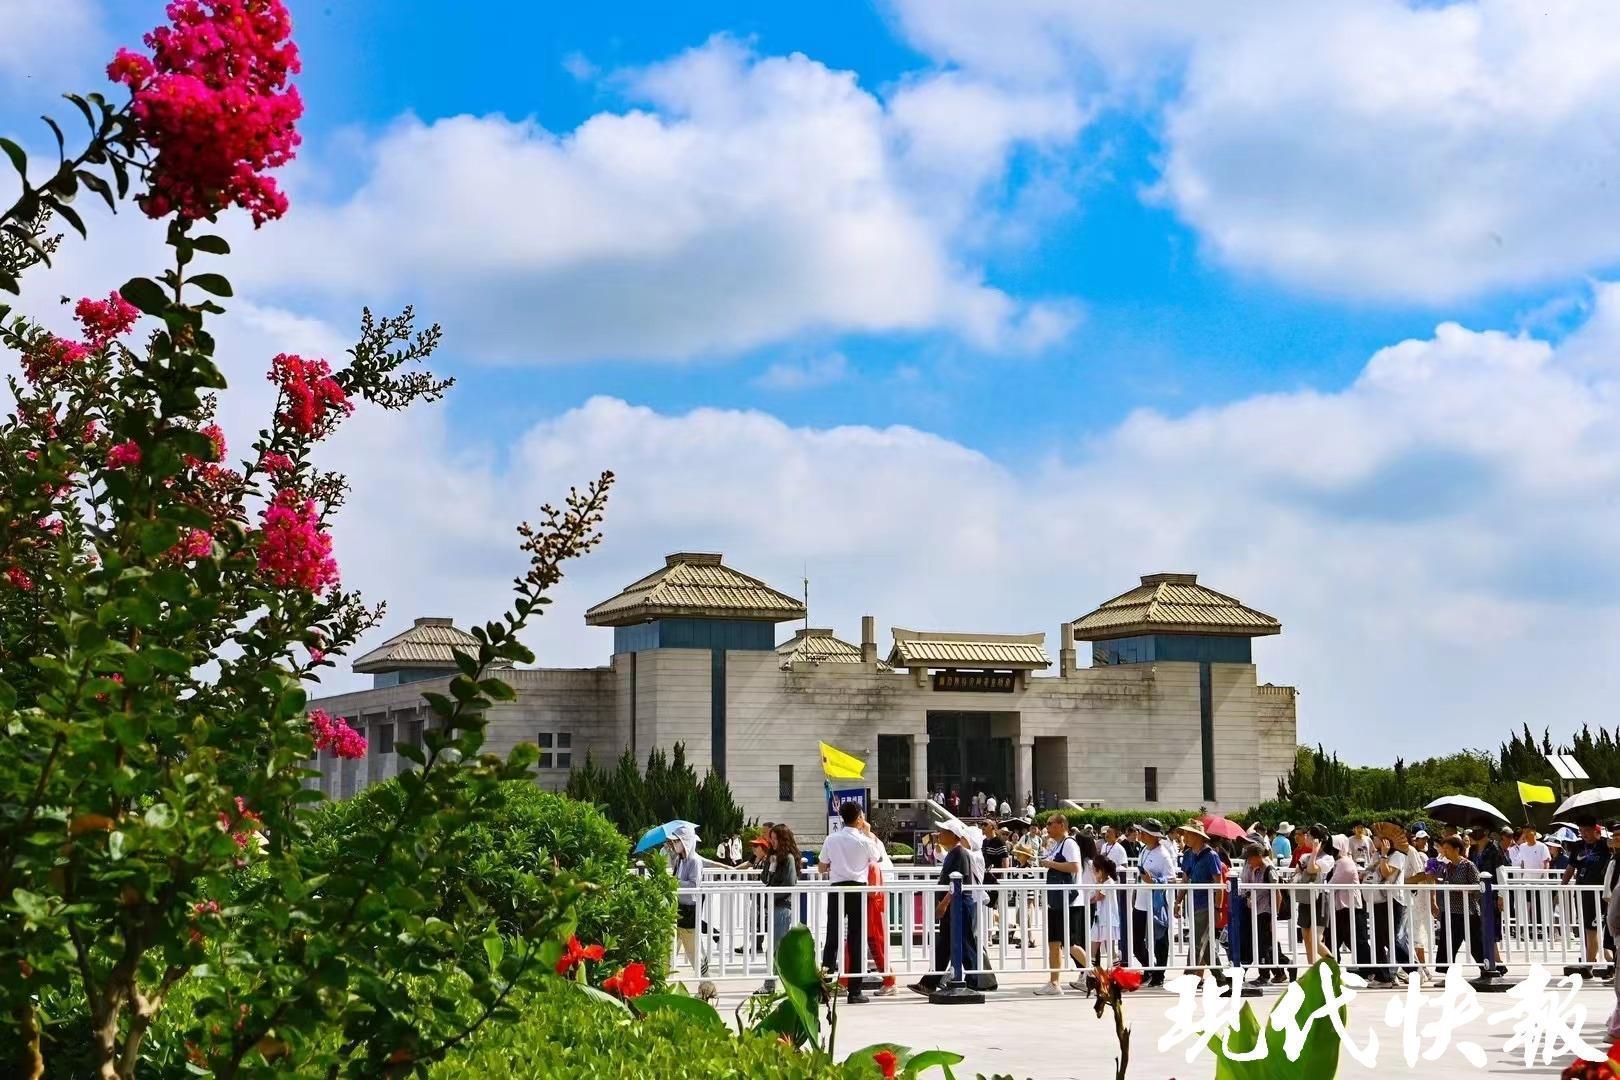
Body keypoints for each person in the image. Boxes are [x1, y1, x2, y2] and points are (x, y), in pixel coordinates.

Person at [909, 818, 984, 994]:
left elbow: (957, 884)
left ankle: (973, 982)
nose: (940, 835)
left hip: (959, 906)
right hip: (952, 906)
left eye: (943, 832)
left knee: (965, 944)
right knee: (944, 946)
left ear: (953, 835)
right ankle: (929, 983)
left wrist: (943, 904)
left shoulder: (961, 854)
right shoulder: (952, 853)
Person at [818, 801, 880, 1003]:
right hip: (858, 890)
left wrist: (836, 865)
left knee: (832, 938)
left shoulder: (831, 839)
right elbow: (877, 857)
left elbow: (821, 867)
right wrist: (868, 832)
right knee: (856, 939)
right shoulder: (864, 840)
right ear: (859, 817)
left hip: (837, 889)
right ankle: (855, 990)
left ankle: (824, 988)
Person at [1035, 814, 1089, 996]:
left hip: (1069, 902)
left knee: (1070, 944)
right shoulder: (1057, 844)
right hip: (1057, 901)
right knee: (1054, 943)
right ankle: (1054, 983)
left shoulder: (1070, 843)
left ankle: (1096, 974)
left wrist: (1050, 863)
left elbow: (1074, 867)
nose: (1047, 827)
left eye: (1050, 824)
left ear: (1061, 825)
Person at [1174, 820, 1224, 979]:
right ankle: (1222, 979)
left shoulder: (1211, 856)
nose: (1185, 837)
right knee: (1205, 944)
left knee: (1196, 942)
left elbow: (1219, 883)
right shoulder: (1188, 855)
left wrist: (1217, 907)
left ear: (1198, 836)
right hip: (1193, 903)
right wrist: (1178, 901)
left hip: (1206, 904)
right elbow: (1185, 879)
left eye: (1188, 834)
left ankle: (1188, 977)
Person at [1565, 818, 1611, 975]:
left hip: (1600, 894)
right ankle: (1592, 959)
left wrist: (1608, 842)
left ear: (1595, 830)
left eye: (1587, 830)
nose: (1584, 834)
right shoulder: (1578, 846)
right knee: (1586, 929)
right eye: (1581, 831)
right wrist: (1562, 886)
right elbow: (1570, 867)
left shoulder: (1605, 844)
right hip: (1582, 892)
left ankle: (1592, 964)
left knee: (1595, 929)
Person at [1434, 834, 1484, 976]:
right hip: (1450, 910)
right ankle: (1448, 974)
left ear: (1457, 849)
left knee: (1476, 943)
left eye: (1447, 848)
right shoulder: (1447, 866)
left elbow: (1478, 886)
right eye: (1443, 848)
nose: (1444, 851)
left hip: (1468, 911)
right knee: (1447, 944)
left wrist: (1460, 889)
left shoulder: (1468, 865)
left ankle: (1488, 969)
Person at [758, 824, 799, 993]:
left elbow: (789, 883)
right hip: (774, 906)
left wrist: (772, 894)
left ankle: (771, 984)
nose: (773, 842)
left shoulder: (788, 858)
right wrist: (769, 865)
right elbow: (764, 879)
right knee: (776, 947)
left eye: (775, 839)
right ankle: (774, 984)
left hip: (782, 906)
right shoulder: (774, 858)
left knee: (775, 948)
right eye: (772, 838)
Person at [1132, 819, 1174, 985]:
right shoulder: (1143, 850)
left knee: (1159, 940)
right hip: (1140, 902)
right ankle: (1149, 967)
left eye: (1144, 832)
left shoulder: (1163, 855)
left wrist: (1154, 881)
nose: (1140, 835)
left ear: (1153, 836)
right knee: (1136, 942)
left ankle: (1159, 975)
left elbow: (1171, 879)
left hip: (1156, 904)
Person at [1239, 842, 1286, 983]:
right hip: (1257, 911)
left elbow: (1277, 894)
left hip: (1266, 912)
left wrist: (1274, 916)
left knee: (1263, 945)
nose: (1248, 861)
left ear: (1258, 856)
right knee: (1267, 945)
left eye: (1250, 858)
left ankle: (1265, 975)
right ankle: (1281, 971)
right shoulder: (1255, 870)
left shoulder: (1269, 870)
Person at [668, 825, 706, 977]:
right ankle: (662, 981)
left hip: (689, 910)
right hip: (676, 908)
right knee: (669, 949)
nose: (674, 844)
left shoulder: (695, 861)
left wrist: (674, 882)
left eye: (677, 841)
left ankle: (706, 982)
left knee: (693, 950)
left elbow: (693, 885)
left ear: (686, 841)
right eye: (673, 841)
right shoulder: (679, 860)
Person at [981, 818, 1010, 937]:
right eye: (982, 824)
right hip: (985, 878)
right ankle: (1006, 927)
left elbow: (1005, 859)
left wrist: (1003, 877)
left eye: (985, 824)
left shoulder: (999, 841)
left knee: (992, 906)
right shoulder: (984, 842)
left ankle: (1002, 930)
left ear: (992, 827)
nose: (982, 826)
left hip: (996, 878)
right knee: (988, 906)